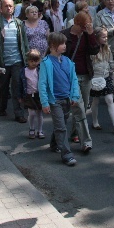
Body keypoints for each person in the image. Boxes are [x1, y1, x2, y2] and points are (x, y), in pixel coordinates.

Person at [39, 32, 81, 166]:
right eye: (61, 44)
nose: (65, 46)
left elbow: (74, 80)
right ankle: (67, 155)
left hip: (67, 99)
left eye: (65, 43)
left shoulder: (68, 62)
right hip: (54, 101)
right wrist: (44, 102)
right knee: (62, 127)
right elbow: (42, 84)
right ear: (52, 46)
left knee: (61, 124)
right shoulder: (46, 63)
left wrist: (74, 96)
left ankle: (54, 143)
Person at [0, 0, 30, 123]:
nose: (8, 8)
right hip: (2, 62)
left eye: (10, 6)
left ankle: (18, 113)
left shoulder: (19, 23)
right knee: (2, 88)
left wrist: (27, 59)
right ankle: (2, 107)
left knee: (17, 87)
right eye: (6, 6)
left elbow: (25, 43)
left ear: (14, 8)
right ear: (1, 8)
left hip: (17, 61)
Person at [61, 10, 97, 152]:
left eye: (86, 27)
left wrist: (91, 34)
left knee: (83, 106)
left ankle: (75, 133)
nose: (84, 29)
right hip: (71, 77)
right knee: (79, 109)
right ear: (75, 23)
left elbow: (94, 50)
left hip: (86, 75)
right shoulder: (64, 35)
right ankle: (86, 142)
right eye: (82, 27)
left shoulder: (87, 35)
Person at [89, 27, 114, 133]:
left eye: (106, 37)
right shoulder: (92, 50)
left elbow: (111, 61)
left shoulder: (107, 49)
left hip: (106, 76)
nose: (106, 39)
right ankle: (95, 122)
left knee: (109, 99)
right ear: (96, 38)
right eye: (103, 37)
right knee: (95, 100)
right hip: (95, 77)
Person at [19, 49, 45, 140]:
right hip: (29, 95)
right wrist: (20, 96)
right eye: (32, 61)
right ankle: (32, 128)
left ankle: (40, 130)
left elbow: (44, 82)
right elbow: (20, 84)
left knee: (39, 113)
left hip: (38, 94)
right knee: (32, 113)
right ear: (28, 61)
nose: (34, 63)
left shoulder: (39, 70)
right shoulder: (24, 71)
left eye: (36, 61)